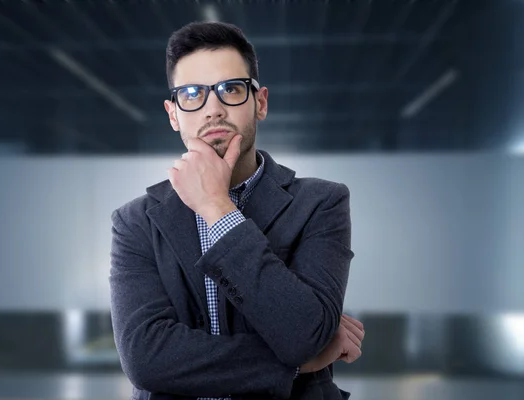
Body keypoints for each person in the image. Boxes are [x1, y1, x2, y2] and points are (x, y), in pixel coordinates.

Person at [109, 21, 364, 400]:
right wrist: (292, 364)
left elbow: (302, 333)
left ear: (259, 102)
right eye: (192, 93)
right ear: (173, 113)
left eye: (230, 89)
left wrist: (216, 208)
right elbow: (147, 359)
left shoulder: (321, 203)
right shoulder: (134, 222)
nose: (213, 110)